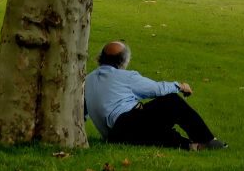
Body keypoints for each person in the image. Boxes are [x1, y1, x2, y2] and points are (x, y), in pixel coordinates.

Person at [84, 41, 225, 150]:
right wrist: (180, 86)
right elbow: (157, 89)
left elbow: (83, 112)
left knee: (153, 128)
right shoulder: (125, 76)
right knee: (172, 102)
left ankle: (191, 146)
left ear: (101, 58)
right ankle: (207, 140)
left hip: (114, 137)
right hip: (126, 124)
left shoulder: (87, 81)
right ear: (123, 61)